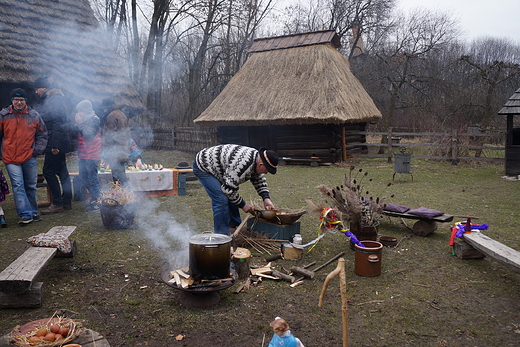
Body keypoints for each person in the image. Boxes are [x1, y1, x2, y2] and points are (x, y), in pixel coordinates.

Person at [193, 144, 278, 235]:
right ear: (261, 164)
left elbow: (258, 179)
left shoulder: (257, 160)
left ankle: (236, 230)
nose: (266, 172)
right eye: (267, 170)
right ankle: (222, 237)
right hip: (204, 165)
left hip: (221, 169)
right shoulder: (242, 164)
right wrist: (243, 204)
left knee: (231, 198)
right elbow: (228, 190)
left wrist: (266, 198)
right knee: (221, 199)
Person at [0, 88, 48, 224]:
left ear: (25, 101)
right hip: (10, 158)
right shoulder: (3, 115)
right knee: (18, 185)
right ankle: (26, 214)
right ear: (12, 101)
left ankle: (33, 212)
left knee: (31, 186)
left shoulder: (34, 116)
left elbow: (43, 134)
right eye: (16, 100)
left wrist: (36, 151)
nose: (19, 102)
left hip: (29, 157)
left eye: (21, 100)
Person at [34, 77, 73, 214]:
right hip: (58, 142)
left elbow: (58, 123)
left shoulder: (54, 100)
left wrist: (54, 145)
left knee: (48, 172)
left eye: (37, 88)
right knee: (62, 171)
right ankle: (67, 200)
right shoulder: (54, 99)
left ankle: (57, 203)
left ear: (44, 88)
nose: (36, 91)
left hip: (55, 143)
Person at [72, 99, 102, 212]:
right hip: (84, 154)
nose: (79, 113)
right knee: (84, 178)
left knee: (92, 178)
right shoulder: (85, 120)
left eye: (80, 111)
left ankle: (98, 200)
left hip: (92, 154)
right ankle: (95, 198)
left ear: (85, 110)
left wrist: (79, 124)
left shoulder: (94, 120)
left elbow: (88, 136)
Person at [101, 98, 131, 187]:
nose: (103, 110)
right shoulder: (122, 114)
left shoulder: (111, 116)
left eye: (104, 108)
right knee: (121, 172)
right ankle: (126, 194)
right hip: (122, 148)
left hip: (115, 150)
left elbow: (109, 135)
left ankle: (124, 194)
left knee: (117, 175)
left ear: (107, 107)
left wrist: (107, 150)